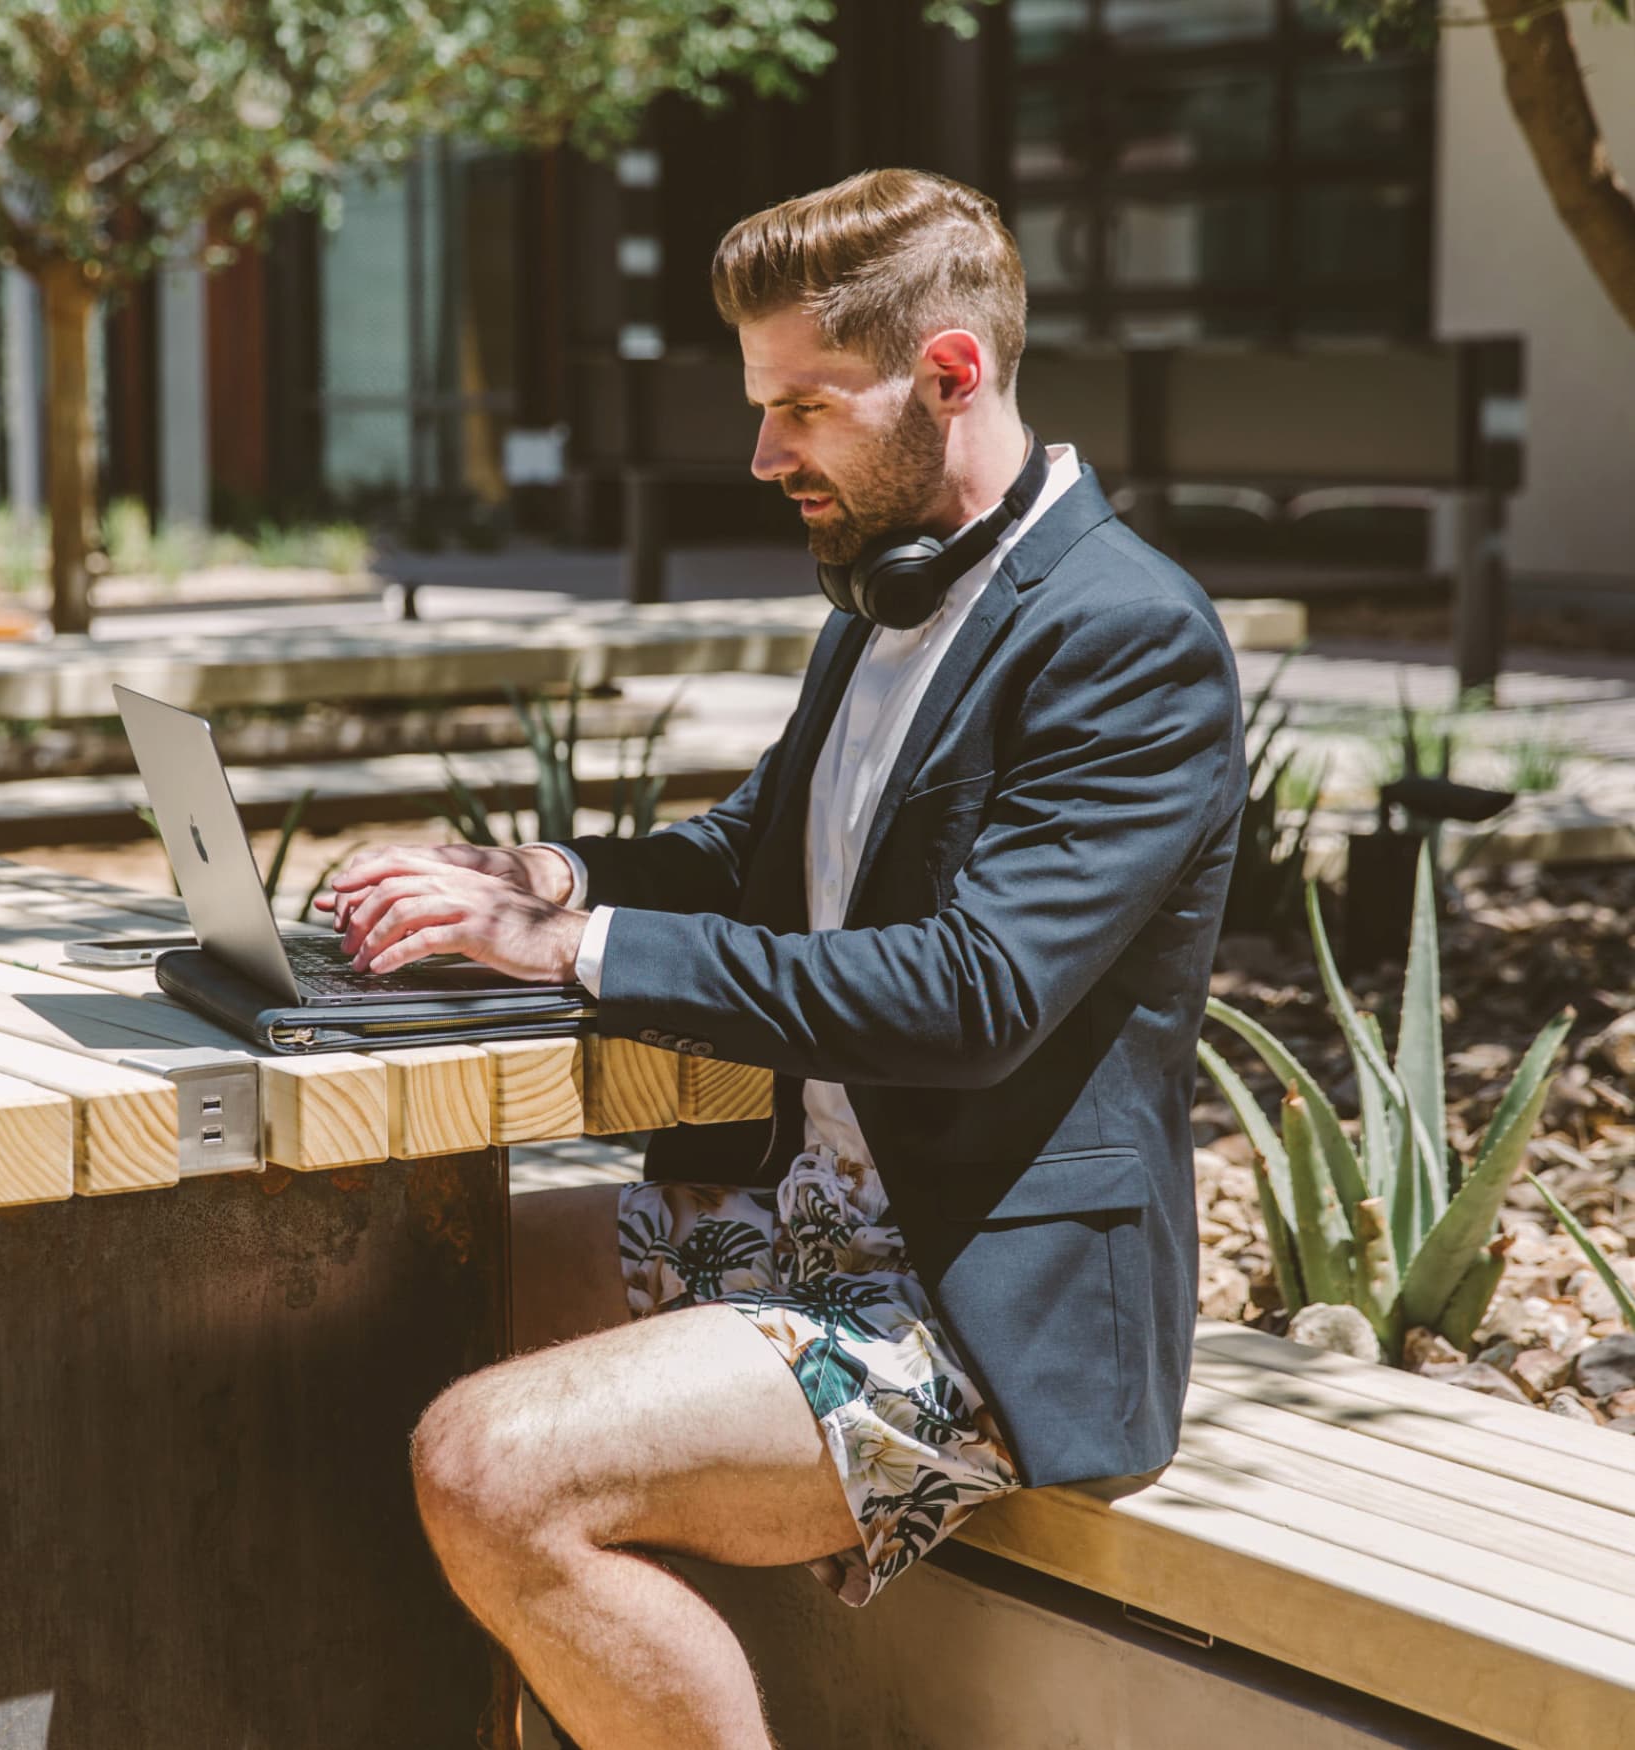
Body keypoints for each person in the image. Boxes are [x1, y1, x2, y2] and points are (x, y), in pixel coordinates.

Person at [318, 168, 1246, 1749]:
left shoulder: (1126, 637)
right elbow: (758, 855)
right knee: (365, 1266)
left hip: (970, 1305)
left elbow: (971, 993)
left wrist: (575, 945)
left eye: (802, 408)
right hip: (790, 1220)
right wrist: (537, 870)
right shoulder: (883, 599)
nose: (761, 456)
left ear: (947, 373)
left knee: (492, 1465)